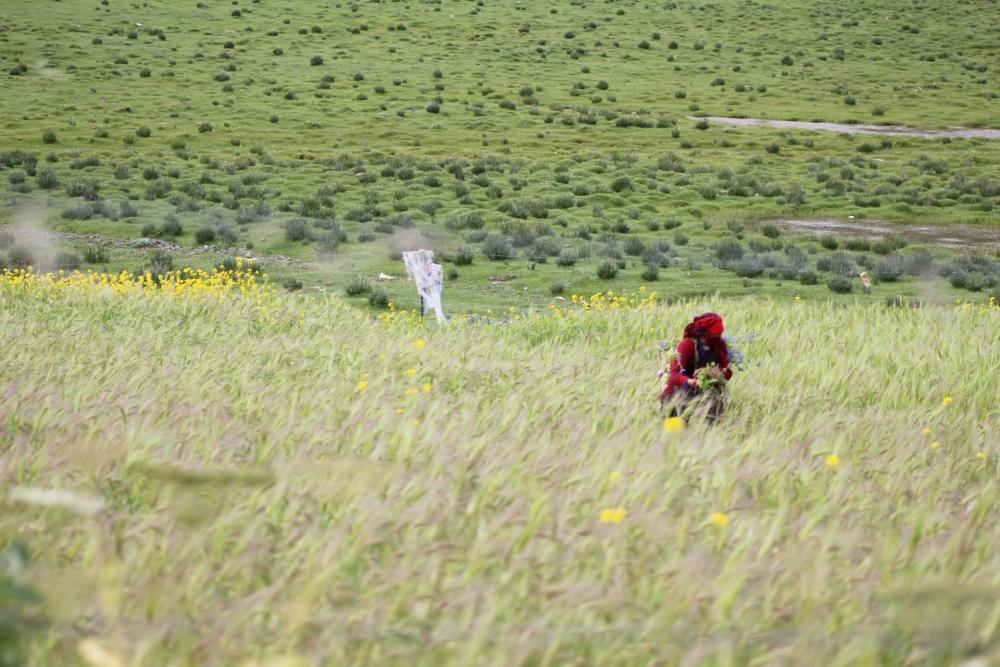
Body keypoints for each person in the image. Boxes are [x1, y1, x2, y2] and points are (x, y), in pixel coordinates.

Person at [658, 312, 733, 422]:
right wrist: (690, 381)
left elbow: (728, 372)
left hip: (704, 393)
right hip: (677, 392)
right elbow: (674, 375)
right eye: (714, 336)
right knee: (676, 429)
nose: (718, 338)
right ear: (703, 336)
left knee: (713, 411)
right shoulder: (687, 345)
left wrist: (711, 372)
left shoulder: (719, 344)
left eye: (719, 335)